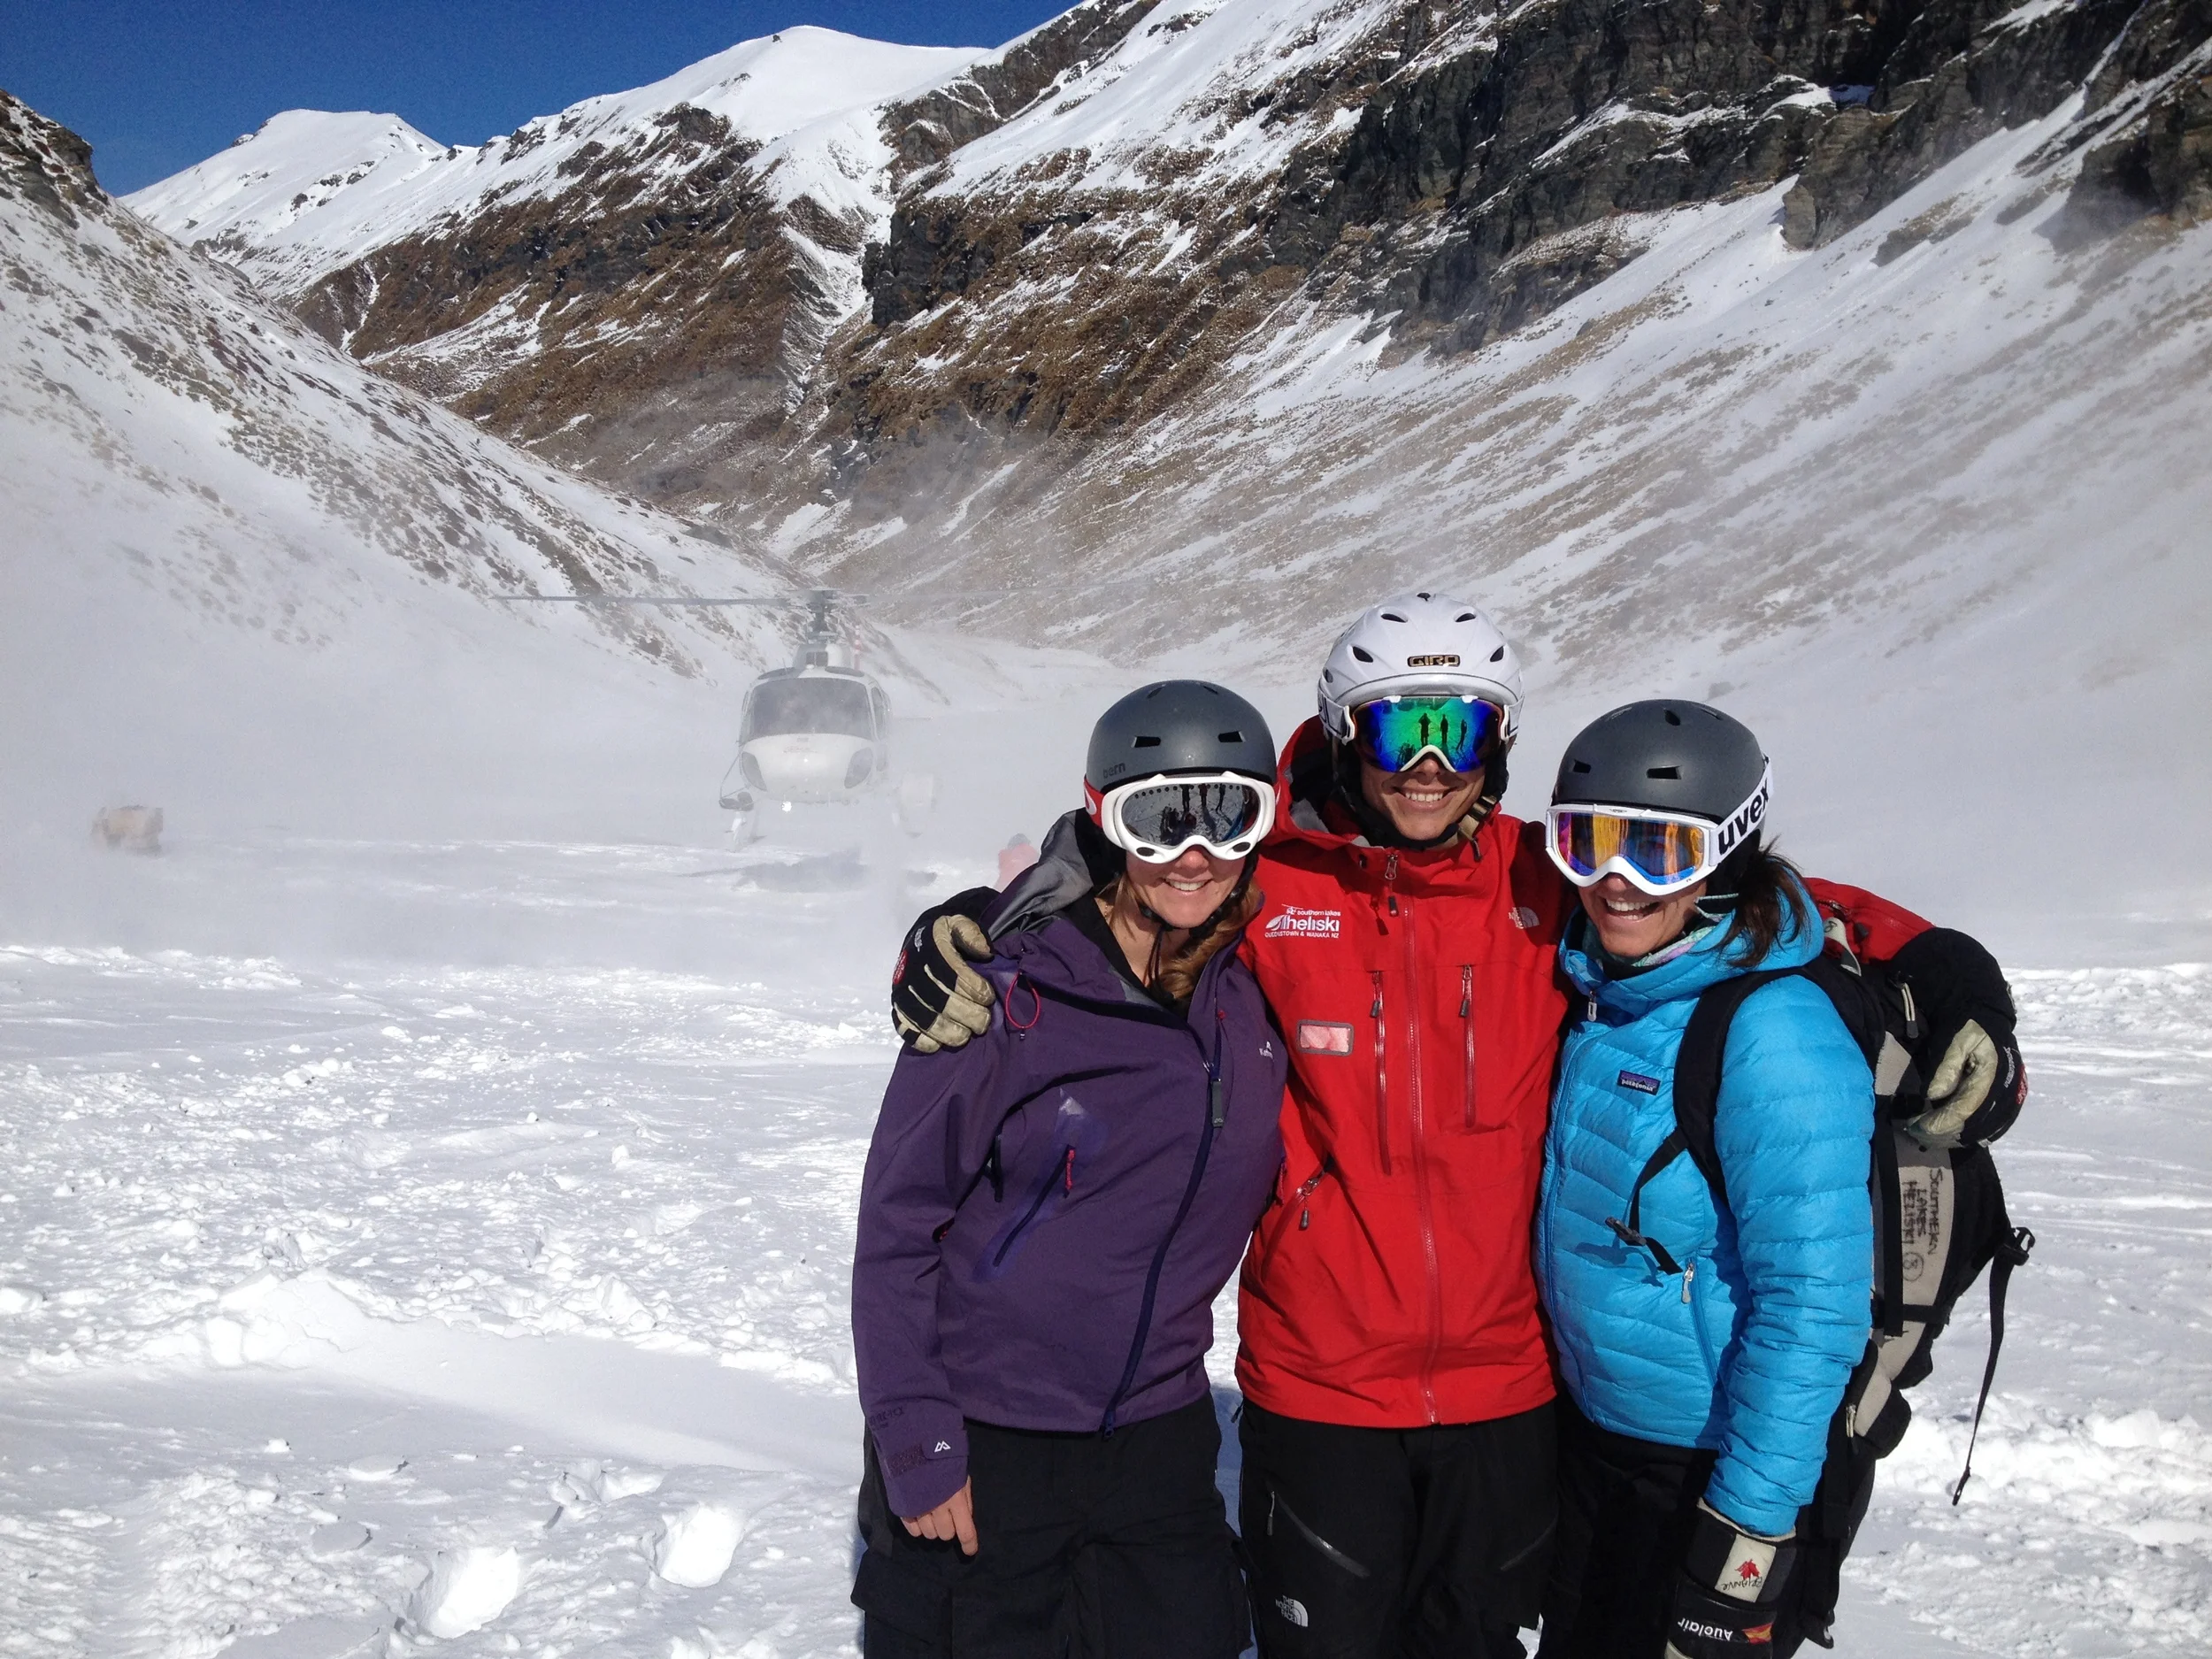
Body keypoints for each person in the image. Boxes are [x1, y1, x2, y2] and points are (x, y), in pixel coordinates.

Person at [887, 595, 2025, 1659]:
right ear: (1343, 733)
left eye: (1461, 730)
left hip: (1511, 1389)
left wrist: (1936, 958)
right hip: (1322, 1379)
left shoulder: (1554, 878)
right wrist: (965, 924)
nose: (1430, 765)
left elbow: (1735, 873)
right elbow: (1129, 868)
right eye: (1397, 733)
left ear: (1499, 742)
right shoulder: (1270, 879)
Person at [851, 680, 1289, 1658]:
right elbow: (895, 1231)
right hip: (987, 1438)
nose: (1193, 855)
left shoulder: (1254, 998)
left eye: (1228, 818)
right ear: (1103, 820)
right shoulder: (1003, 996)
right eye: (1157, 820)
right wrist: (917, 1442)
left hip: (1159, 1445)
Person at [1532, 702, 1872, 1658]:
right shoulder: (1603, 994)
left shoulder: (1773, 1029)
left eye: (1659, 853)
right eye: (1585, 842)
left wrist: (1745, 1535)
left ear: (1726, 855)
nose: (1614, 881)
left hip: (1706, 1468)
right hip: (1599, 1443)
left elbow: (1814, 1303)